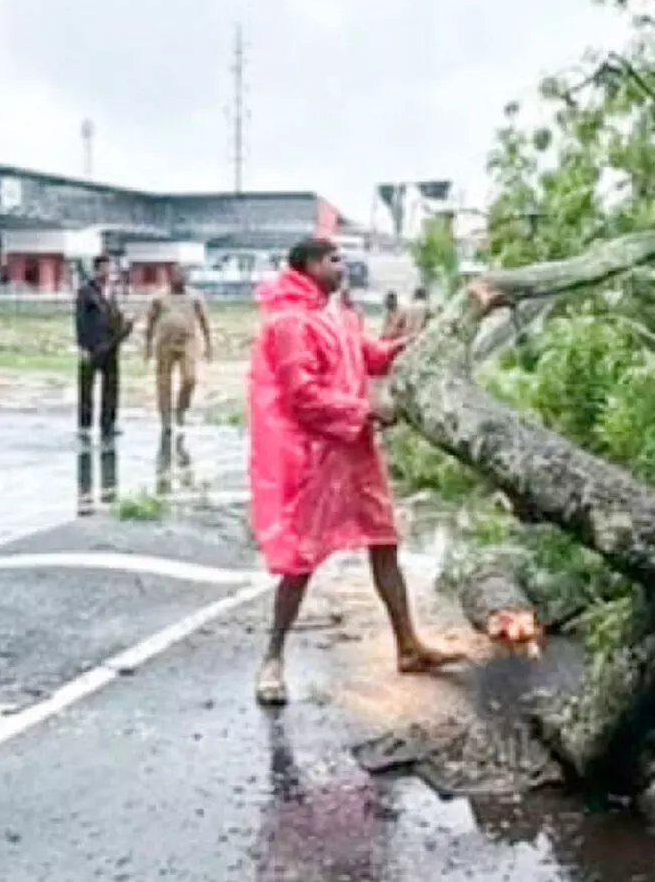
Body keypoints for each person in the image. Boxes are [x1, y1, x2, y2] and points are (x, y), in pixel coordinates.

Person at [247, 237, 462, 706]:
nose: (342, 267)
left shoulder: (338, 316)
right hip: (317, 458)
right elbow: (301, 395)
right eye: (333, 260)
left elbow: (371, 355)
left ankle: (408, 644)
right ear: (308, 265)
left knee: (384, 543)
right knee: (301, 561)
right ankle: (273, 658)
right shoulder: (289, 323)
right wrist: (366, 409)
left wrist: (420, 342)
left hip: (356, 453)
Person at [143, 267, 213, 431]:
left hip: (187, 342)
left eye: (184, 276)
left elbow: (204, 322)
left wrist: (209, 345)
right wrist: (147, 346)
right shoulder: (159, 297)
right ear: (170, 278)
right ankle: (165, 420)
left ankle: (181, 409)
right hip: (164, 343)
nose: (180, 279)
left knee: (190, 379)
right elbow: (150, 322)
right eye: (177, 276)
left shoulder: (195, 297)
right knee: (163, 382)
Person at [75, 255, 133, 438]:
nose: (108, 272)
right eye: (104, 268)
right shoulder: (86, 292)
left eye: (110, 268)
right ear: (97, 270)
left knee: (111, 387)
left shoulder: (111, 291)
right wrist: (82, 346)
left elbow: (114, 315)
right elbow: (80, 320)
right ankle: (85, 425)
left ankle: (108, 423)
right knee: (86, 388)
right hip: (92, 346)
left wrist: (126, 325)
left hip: (111, 346)